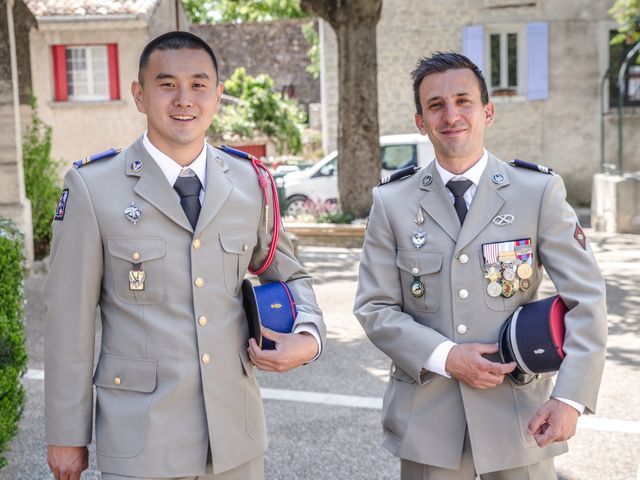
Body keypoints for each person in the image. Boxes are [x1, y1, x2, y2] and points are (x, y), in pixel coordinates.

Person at [44, 31, 325, 480]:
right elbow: (67, 323)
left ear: (217, 95)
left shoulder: (250, 182)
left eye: (198, 84)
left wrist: (310, 337)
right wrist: (65, 433)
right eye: (166, 83)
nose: (184, 99)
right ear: (139, 95)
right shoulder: (92, 188)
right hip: (142, 441)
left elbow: (290, 275)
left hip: (236, 440)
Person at [353, 52, 607, 479]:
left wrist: (570, 399)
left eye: (463, 100)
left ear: (487, 111)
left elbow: (586, 299)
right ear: (421, 121)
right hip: (429, 426)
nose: (451, 115)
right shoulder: (392, 202)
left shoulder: (536, 192)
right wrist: (447, 356)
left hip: (520, 422)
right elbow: (374, 307)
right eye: (436, 105)